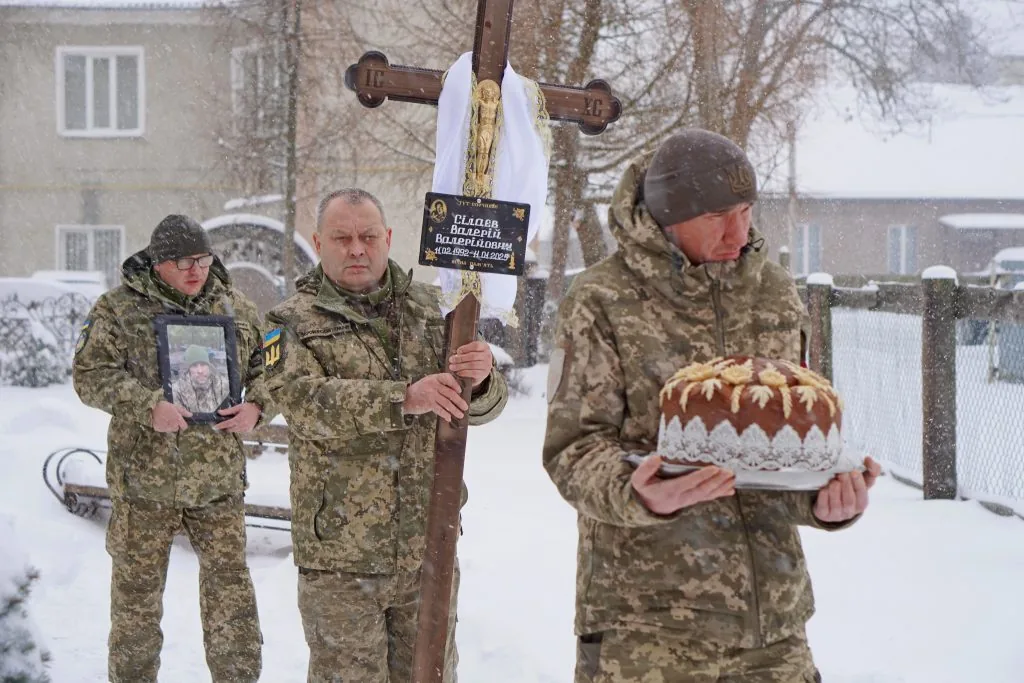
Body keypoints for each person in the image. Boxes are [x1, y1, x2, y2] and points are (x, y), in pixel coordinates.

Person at [542, 129, 882, 683]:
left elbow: (785, 439)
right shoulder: (601, 300)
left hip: (771, 626)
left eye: (746, 210)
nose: (739, 231)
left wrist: (824, 502)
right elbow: (573, 450)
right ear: (668, 214)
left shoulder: (774, 292)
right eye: (718, 215)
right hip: (648, 625)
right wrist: (638, 491)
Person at [264, 188, 509, 683]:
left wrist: (481, 378)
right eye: (342, 237)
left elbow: (480, 408)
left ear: (388, 238)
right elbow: (300, 402)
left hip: (427, 547)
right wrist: (403, 397)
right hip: (342, 560)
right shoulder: (288, 322)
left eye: (369, 236)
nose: (357, 248)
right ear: (318, 242)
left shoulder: (435, 309)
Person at [72, 214, 268, 683]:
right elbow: (89, 375)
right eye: (181, 262)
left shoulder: (238, 308)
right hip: (144, 483)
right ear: (157, 263)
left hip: (217, 482)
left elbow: (270, 368)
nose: (195, 270)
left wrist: (258, 406)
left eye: (201, 259)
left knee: (232, 601)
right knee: (136, 606)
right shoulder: (117, 309)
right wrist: (147, 405)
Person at [171, 344, 230, 414]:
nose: (200, 371)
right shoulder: (177, 390)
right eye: (194, 366)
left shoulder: (223, 385)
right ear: (188, 369)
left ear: (209, 366)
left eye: (203, 364)